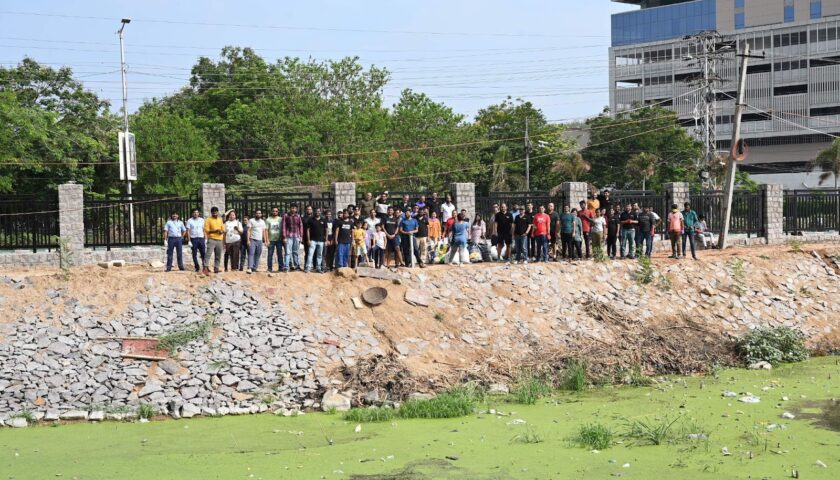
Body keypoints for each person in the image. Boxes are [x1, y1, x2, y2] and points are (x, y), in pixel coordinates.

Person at [305, 208, 328, 273]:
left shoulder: (323, 220)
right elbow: (308, 230)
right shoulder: (310, 220)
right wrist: (308, 240)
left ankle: (318, 268)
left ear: (320, 212)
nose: (317, 212)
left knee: (319, 255)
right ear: (314, 212)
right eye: (316, 211)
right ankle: (308, 268)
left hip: (321, 241)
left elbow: (326, 230)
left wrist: (326, 240)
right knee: (310, 254)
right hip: (313, 241)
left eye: (318, 211)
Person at [185, 209, 207, 274]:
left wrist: (206, 238)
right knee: (194, 254)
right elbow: (188, 231)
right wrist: (189, 240)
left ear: (198, 213)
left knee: (203, 253)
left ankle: (205, 267)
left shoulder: (202, 220)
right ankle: (197, 267)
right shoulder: (190, 221)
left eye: (197, 212)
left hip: (201, 238)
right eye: (194, 212)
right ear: (192, 214)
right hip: (193, 239)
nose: (196, 214)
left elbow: (204, 229)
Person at [283, 204, 304, 272]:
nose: (293, 209)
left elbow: (300, 226)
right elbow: (284, 226)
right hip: (289, 236)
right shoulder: (286, 216)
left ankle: (296, 266)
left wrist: (301, 236)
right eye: (292, 208)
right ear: (290, 208)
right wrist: (284, 237)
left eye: (295, 208)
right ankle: (286, 267)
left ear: (296, 209)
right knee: (288, 252)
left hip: (297, 236)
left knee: (295, 252)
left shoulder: (298, 216)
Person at [204, 206, 225, 273]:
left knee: (218, 255)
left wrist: (221, 231)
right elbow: (207, 230)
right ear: (211, 213)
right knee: (208, 254)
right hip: (211, 239)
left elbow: (223, 229)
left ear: (218, 212)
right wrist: (215, 231)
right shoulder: (208, 220)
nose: (215, 214)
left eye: (216, 213)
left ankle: (216, 268)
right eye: (213, 213)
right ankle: (205, 268)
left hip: (220, 239)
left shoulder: (220, 219)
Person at [265, 207, 283, 273]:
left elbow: (283, 229)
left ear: (278, 212)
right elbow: (266, 230)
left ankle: (281, 268)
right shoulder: (268, 220)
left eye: (276, 211)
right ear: (271, 211)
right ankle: (269, 268)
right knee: (270, 254)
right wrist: (267, 240)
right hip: (271, 240)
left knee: (280, 254)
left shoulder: (281, 219)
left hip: (279, 240)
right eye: (273, 211)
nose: (275, 212)